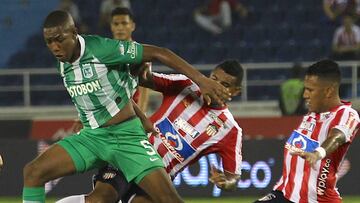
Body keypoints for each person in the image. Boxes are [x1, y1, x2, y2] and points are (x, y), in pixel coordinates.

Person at [22, 10, 231, 203]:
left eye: (59, 39)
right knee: (33, 172)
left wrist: (202, 81)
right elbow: (112, 94)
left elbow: (159, 52)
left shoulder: (102, 49)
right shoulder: (63, 60)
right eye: (49, 42)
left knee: (169, 200)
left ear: (75, 33)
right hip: (92, 138)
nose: (55, 47)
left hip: (126, 138)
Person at [56, 59, 244, 203]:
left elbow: (233, 177)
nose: (216, 86)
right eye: (214, 79)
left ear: (236, 91)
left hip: (159, 178)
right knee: (100, 199)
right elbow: (146, 79)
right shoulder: (185, 85)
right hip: (131, 152)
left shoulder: (230, 130)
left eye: (225, 85)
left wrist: (227, 182)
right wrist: (142, 68)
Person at [255, 59, 360, 203]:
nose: (304, 95)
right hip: (284, 193)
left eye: (310, 90)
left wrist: (318, 153)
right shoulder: (311, 114)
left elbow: (337, 137)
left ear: (329, 90)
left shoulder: (347, 114)